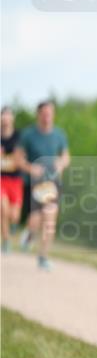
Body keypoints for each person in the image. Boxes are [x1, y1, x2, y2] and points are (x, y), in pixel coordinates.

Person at [16, 100, 70, 271]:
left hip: (52, 182)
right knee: (36, 219)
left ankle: (43, 257)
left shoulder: (59, 135)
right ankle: (30, 234)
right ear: (38, 114)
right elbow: (18, 160)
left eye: (50, 113)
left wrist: (61, 164)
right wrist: (31, 168)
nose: (47, 116)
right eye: (44, 113)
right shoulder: (28, 135)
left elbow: (66, 157)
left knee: (50, 220)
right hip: (34, 183)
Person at [1, 106, 25, 252]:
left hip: (16, 180)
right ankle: (6, 241)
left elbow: (19, 158)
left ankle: (13, 226)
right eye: (3, 115)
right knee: (2, 209)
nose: (5, 118)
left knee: (13, 215)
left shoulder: (19, 136)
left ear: (12, 118)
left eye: (8, 115)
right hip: (1, 179)